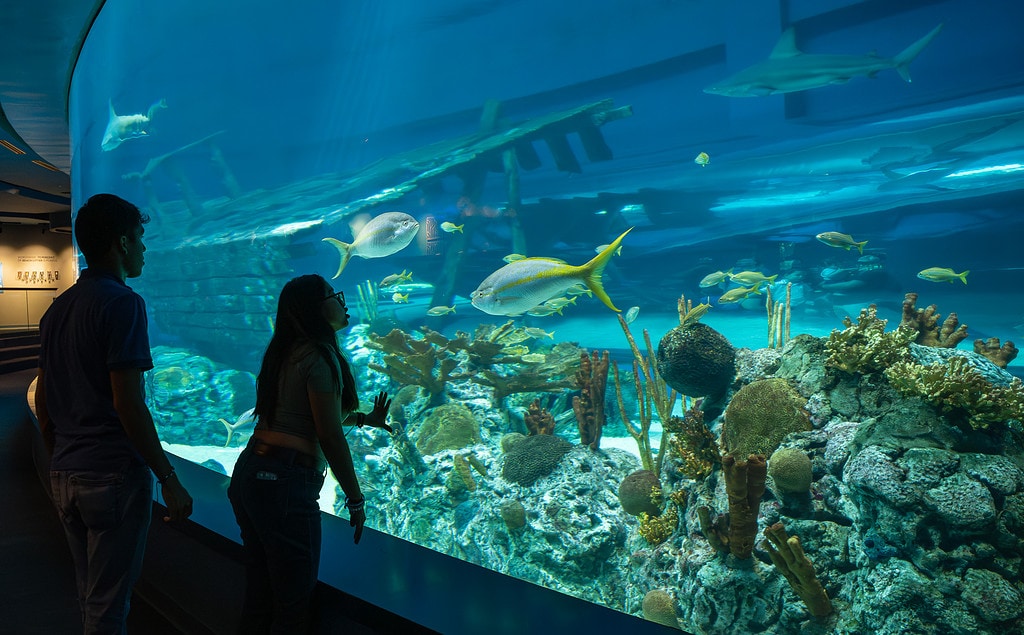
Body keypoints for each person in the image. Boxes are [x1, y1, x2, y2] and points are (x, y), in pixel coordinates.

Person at [36, 193, 193, 634]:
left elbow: (45, 398)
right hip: (111, 475)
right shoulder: (123, 303)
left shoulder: (57, 309)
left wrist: (60, 456)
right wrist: (168, 476)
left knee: (91, 598)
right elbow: (128, 402)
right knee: (109, 608)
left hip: (66, 471)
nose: (144, 248)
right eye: (140, 238)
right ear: (122, 243)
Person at [228, 274, 392, 633]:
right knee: (293, 603)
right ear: (316, 309)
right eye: (335, 295)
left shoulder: (285, 352)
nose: (343, 302)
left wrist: (365, 419)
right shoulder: (319, 357)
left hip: (249, 475)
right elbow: (329, 434)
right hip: (284, 484)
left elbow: (311, 413)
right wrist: (355, 498)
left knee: (260, 594)